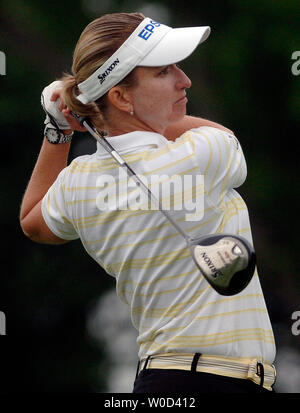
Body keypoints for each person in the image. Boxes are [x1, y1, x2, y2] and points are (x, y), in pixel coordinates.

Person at [20, 12, 276, 393]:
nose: (183, 80)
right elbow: (222, 134)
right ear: (121, 97)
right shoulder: (204, 153)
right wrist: (93, 113)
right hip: (218, 382)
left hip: (159, 379)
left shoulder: (78, 183)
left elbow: (32, 222)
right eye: (163, 72)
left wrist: (60, 127)